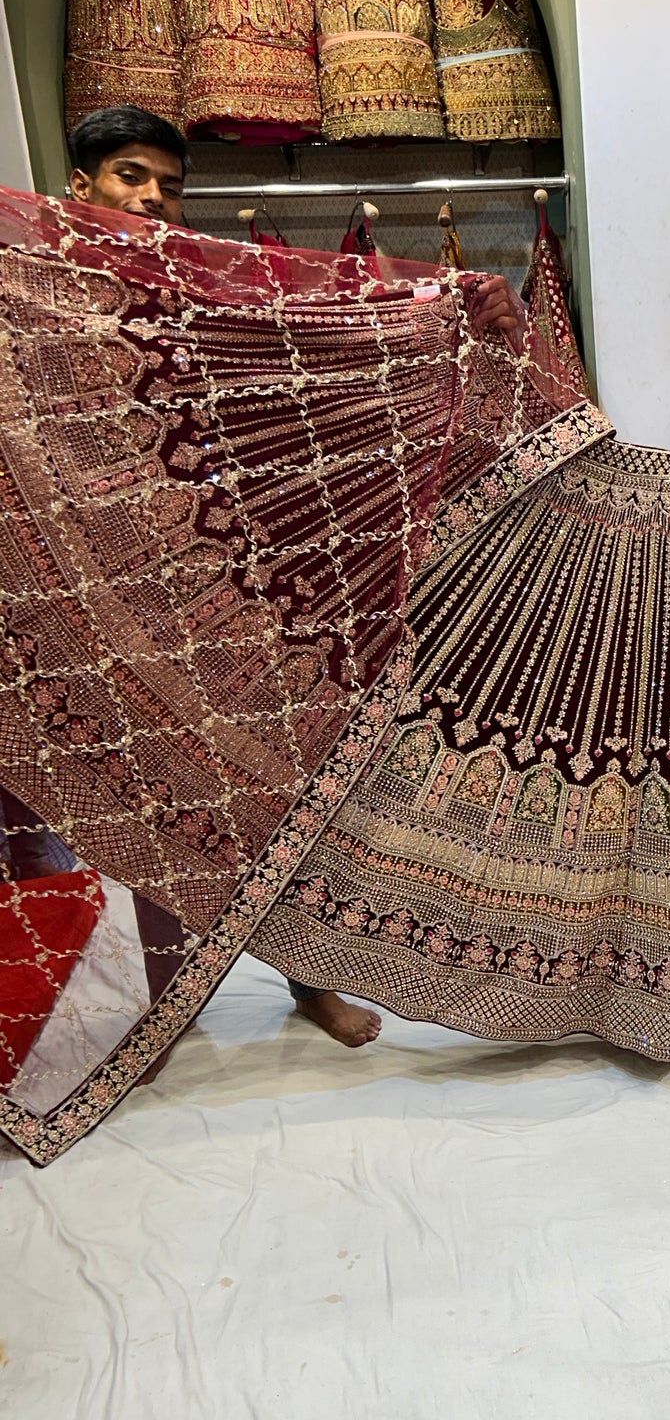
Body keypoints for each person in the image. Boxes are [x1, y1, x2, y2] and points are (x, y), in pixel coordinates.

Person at [62, 107, 523, 1046]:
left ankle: (307, 979)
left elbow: (320, 319)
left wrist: (443, 304)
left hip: (218, 563)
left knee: (284, 771)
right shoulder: (43, 287)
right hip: (88, 576)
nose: (152, 197)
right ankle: (145, 1000)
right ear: (82, 187)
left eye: (170, 183)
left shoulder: (203, 284)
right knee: (131, 787)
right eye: (129, 175)